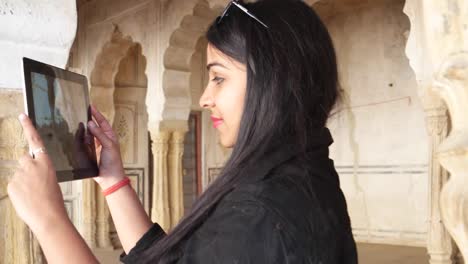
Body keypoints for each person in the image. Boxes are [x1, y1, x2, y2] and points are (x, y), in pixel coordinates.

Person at [7, 0, 358, 263]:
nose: (204, 98)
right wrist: (113, 182)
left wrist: (49, 220)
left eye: (218, 78)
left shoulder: (260, 213)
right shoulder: (301, 177)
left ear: (275, 82)